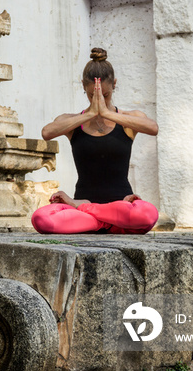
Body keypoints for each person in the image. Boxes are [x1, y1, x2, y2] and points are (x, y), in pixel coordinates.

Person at [31, 48, 160, 234]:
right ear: (83, 86)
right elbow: (47, 132)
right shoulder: (74, 122)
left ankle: (99, 216)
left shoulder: (128, 119)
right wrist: (90, 114)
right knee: (41, 219)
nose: (99, 99)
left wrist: (107, 113)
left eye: (105, 95)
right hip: (86, 215)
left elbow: (153, 128)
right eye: (92, 95)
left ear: (114, 84)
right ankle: (105, 221)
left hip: (120, 207)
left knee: (147, 214)